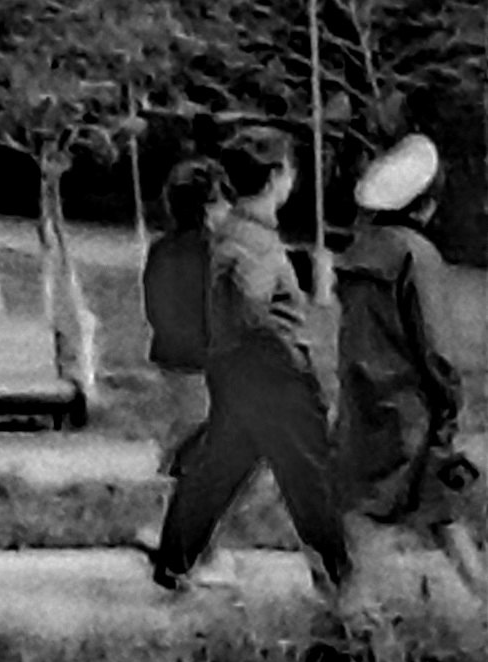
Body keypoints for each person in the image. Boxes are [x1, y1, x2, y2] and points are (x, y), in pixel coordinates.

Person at [142, 126, 354, 602]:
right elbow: (251, 303)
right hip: (274, 373)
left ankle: (174, 560)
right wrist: (291, 357)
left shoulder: (234, 230)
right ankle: (342, 580)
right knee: (311, 475)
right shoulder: (255, 240)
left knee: (219, 465)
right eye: (290, 170)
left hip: (235, 370)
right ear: (277, 176)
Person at [333, 135, 486, 600]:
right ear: (426, 205)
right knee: (415, 508)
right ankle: (361, 612)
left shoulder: (358, 253)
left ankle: (357, 605)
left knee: (381, 506)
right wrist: (450, 401)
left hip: (362, 400)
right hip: (412, 407)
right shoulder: (417, 257)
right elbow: (435, 346)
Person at [141, 157, 226, 478]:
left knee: (190, 420)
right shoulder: (213, 252)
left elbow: (154, 301)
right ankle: (172, 477)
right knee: (197, 425)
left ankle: (176, 474)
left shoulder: (162, 248)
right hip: (204, 353)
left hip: (171, 351)